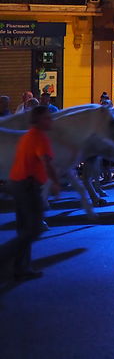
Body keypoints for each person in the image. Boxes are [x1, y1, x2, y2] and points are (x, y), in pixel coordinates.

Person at [0, 105, 61, 281]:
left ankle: (21, 268)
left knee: (24, 229)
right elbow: (47, 163)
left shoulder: (27, 136)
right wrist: (56, 183)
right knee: (33, 229)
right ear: (38, 120)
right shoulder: (40, 138)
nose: (50, 120)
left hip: (17, 183)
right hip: (28, 186)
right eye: (47, 118)